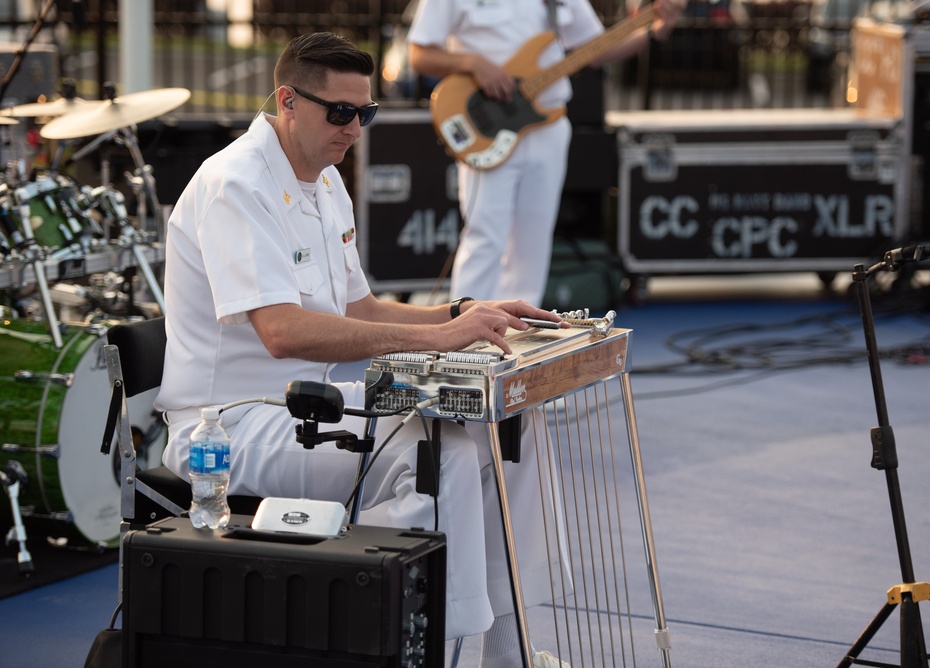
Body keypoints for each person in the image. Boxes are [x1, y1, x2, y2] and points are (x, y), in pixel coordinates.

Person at [155, 32, 571, 668]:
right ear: (288, 101)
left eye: (366, 112)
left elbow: (360, 309)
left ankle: (506, 653)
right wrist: (439, 338)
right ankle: (424, 650)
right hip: (231, 421)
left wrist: (468, 313)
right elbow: (283, 331)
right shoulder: (235, 183)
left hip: (304, 404)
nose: (355, 128)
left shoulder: (323, 180)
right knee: (442, 453)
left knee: (508, 425)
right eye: (340, 112)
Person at [407, 0, 687, 307]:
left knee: (534, 242)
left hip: (547, 126)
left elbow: (596, 50)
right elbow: (419, 53)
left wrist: (652, 32)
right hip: (488, 125)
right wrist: (472, 63)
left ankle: (520, 337)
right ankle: (465, 334)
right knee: (485, 237)